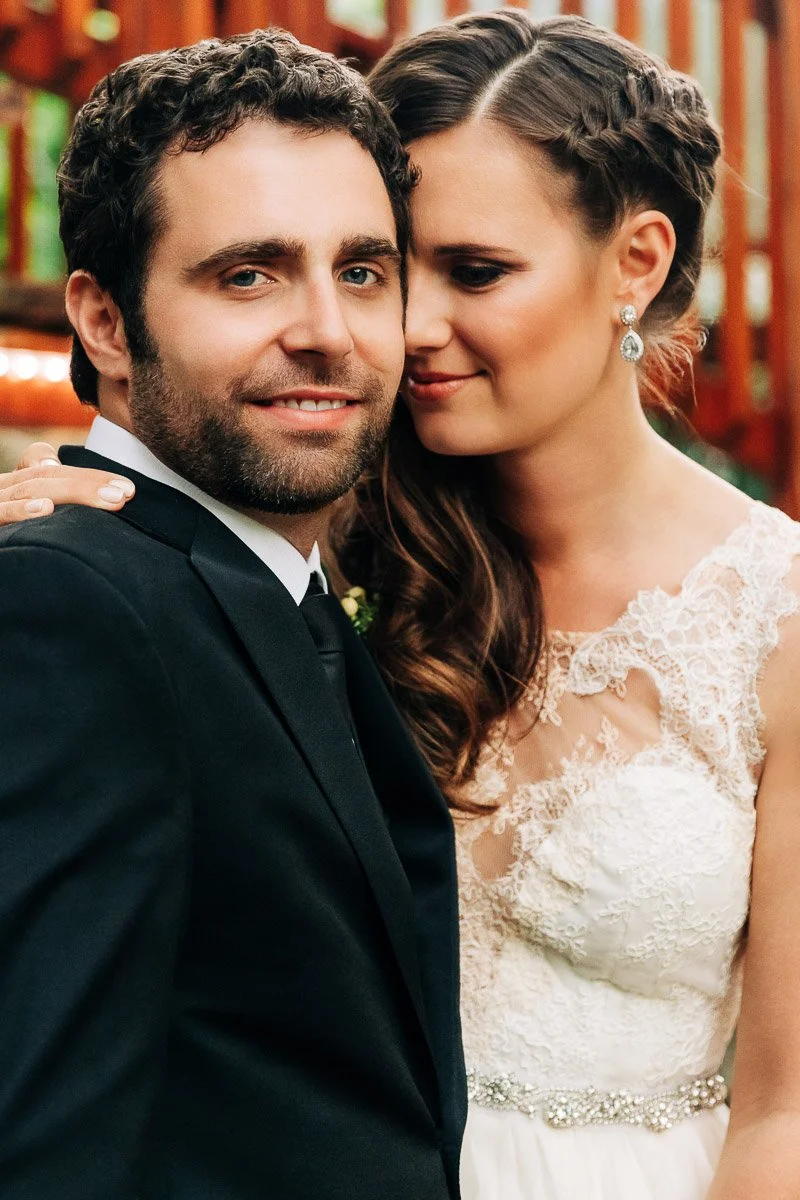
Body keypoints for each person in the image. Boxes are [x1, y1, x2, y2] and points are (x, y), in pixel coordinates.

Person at [6, 10, 800, 1200]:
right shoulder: (293, 519)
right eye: (398, 266)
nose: (404, 328)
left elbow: (783, 1108)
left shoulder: (771, 610)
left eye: (472, 272)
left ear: (634, 262)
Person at [0, 30, 466, 1200]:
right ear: (105, 321)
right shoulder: (68, 600)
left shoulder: (278, 590)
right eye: (248, 273)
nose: (326, 328)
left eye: (361, 270)